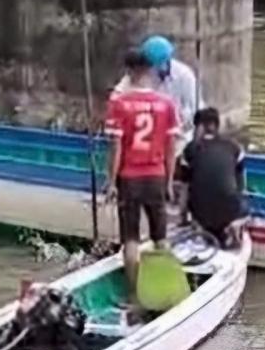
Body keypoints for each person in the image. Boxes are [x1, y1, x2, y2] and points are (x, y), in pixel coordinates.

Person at [103, 49, 181, 292]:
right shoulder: (166, 105)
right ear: (151, 71)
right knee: (161, 237)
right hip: (156, 176)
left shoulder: (120, 105)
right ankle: (166, 287)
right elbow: (171, 148)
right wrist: (168, 181)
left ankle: (135, 292)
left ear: (129, 72)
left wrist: (112, 182)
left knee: (131, 240)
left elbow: (116, 148)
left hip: (129, 178)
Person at [175, 108, 248, 249]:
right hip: (230, 210)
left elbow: (184, 188)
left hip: (202, 213)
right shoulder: (234, 148)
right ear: (217, 126)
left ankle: (201, 227)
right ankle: (235, 227)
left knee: (198, 202)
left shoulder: (190, 149)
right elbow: (241, 185)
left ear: (200, 127)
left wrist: (182, 218)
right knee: (243, 208)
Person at [115, 34, 200, 154]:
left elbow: (191, 110)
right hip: (150, 134)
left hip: (179, 135)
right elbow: (122, 89)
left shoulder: (185, 76)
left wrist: (174, 125)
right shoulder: (144, 73)